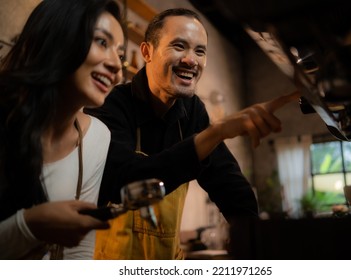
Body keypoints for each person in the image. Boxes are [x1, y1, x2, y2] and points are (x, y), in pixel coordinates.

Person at [85, 8, 299, 260]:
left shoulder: (192, 111)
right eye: (179, 46)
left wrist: (251, 237)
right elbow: (126, 182)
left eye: (200, 51)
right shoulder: (112, 105)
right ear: (146, 52)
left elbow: (228, 182)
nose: (191, 60)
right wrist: (216, 132)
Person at [0, 0, 126, 259]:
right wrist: (28, 226)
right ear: (60, 37)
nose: (117, 67)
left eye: (121, 55)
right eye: (102, 42)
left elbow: (78, 250)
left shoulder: (98, 137)